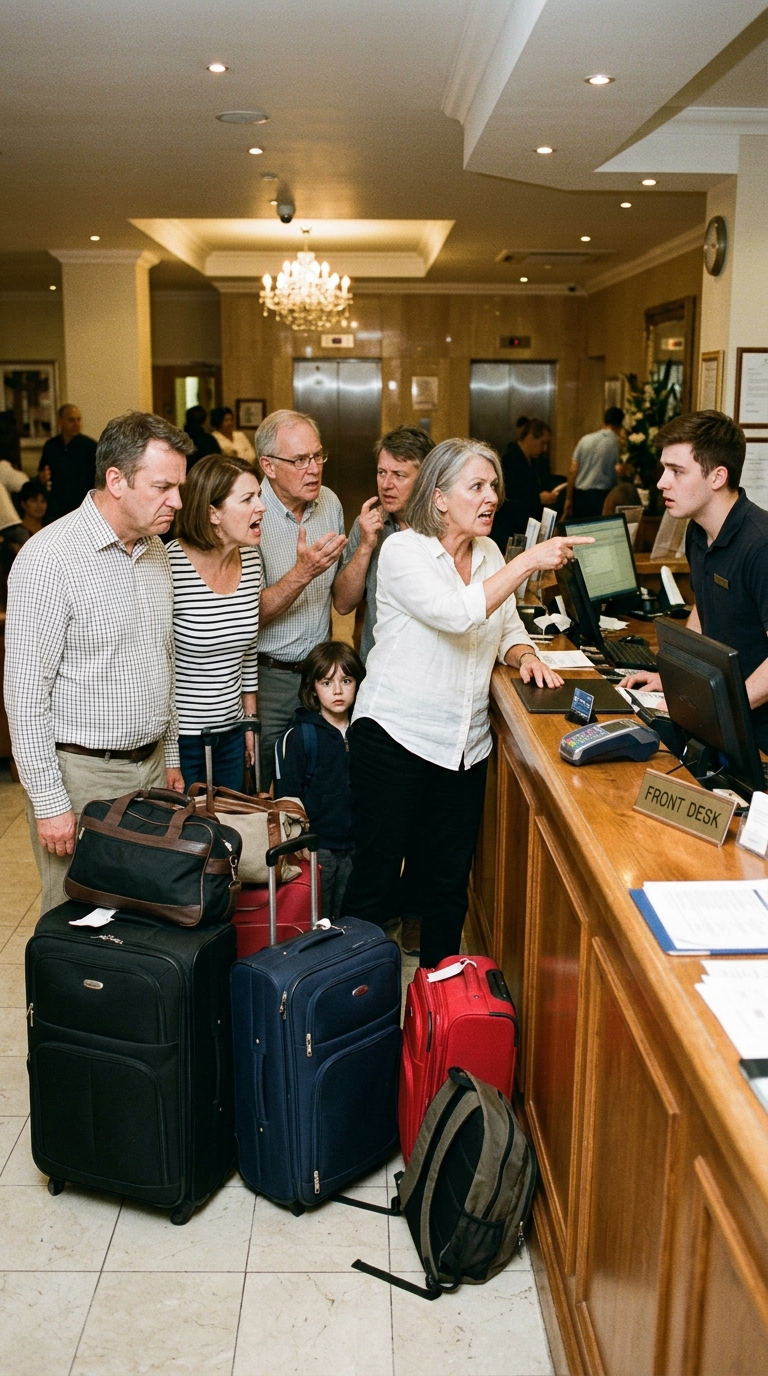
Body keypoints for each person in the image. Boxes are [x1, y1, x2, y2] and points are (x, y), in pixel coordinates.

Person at [340, 437, 592, 967]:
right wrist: (527, 564)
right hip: (395, 737)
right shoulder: (404, 552)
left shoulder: (489, 554)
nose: (490, 497)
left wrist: (523, 653)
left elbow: (505, 624)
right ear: (438, 498)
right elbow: (457, 613)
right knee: (375, 881)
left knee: (447, 885)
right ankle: (353, 1009)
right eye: (475, 486)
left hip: (463, 746)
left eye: (493, 486)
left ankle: (440, 1006)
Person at [5, 410, 191, 915]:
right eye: (162, 486)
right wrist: (50, 803)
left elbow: (163, 661)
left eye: (178, 486)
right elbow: (24, 697)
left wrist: (169, 755)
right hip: (81, 777)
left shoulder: (155, 552)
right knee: (77, 927)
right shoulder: (49, 559)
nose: (176, 500)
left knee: (142, 919)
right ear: (116, 479)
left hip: (149, 770)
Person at [623, 411, 768, 751]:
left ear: (717, 477)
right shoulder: (698, 532)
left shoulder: (760, 545)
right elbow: (704, 611)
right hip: (723, 726)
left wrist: (722, 710)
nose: (661, 482)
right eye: (664, 469)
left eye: (676, 471)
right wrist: (673, 679)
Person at [254, 408, 352, 789]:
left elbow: (342, 601)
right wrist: (302, 573)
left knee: (319, 786)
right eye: (299, 460)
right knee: (264, 789)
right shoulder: (250, 511)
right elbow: (250, 615)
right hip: (268, 677)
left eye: (318, 456)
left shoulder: (329, 503)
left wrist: (363, 550)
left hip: (319, 676)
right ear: (269, 465)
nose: (314, 469)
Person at [167, 454, 265, 792]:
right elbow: (156, 661)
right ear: (213, 513)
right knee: (187, 836)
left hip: (233, 735)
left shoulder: (251, 560)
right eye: (248, 499)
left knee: (229, 834)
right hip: (183, 739)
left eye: (259, 496)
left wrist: (249, 723)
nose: (261, 507)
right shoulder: (170, 565)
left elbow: (249, 651)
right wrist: (168, 754)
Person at [274, 641, 364, 922]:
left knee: (348, 916)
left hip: (356, 844)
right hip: (316, 846)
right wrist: (298, 838)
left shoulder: (365, 730)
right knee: (317, 917)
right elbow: (288, 796)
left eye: (346, 680)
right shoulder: (301, 736)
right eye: (327, 682)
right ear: (313, 687)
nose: (337, 690)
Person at [334, 425, 434, 661]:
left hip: (427, 668)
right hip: (378, 668)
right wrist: (366, 546)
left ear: (426, 478)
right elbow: (343, 604)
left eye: (398, 475)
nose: (386, 484)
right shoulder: (369, 523)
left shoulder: (445, 528)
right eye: (381, 472)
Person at [491, 419, 560, 552]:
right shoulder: (510, 460)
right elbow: (510, 499)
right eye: (542, 443)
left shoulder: (536, 462)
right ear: (530, 438)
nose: (544, 448)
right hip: (509, 529)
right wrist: (538, 499)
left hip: (526, 526)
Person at [40, 404, 98, 523]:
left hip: (81, 508)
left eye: (78, 419)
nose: (76, 424)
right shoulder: (51, 446)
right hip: (56, 508)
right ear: (60, 421)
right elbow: (42, 472)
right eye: (71, 420)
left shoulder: (90, 446)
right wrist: (42, 477)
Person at [565, 406, 624, 520]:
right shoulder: (617, 443)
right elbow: (619, 471)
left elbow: (573, 470)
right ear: (620, 425)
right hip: (601, 497)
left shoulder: (585, 439)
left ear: (604, 421)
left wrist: (569, 498)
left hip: (580, 496)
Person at [184, 405, 221, 469]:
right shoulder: (208, 440)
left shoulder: (180, 439)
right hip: (204, 476)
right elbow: (217, 462)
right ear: (204, 421)